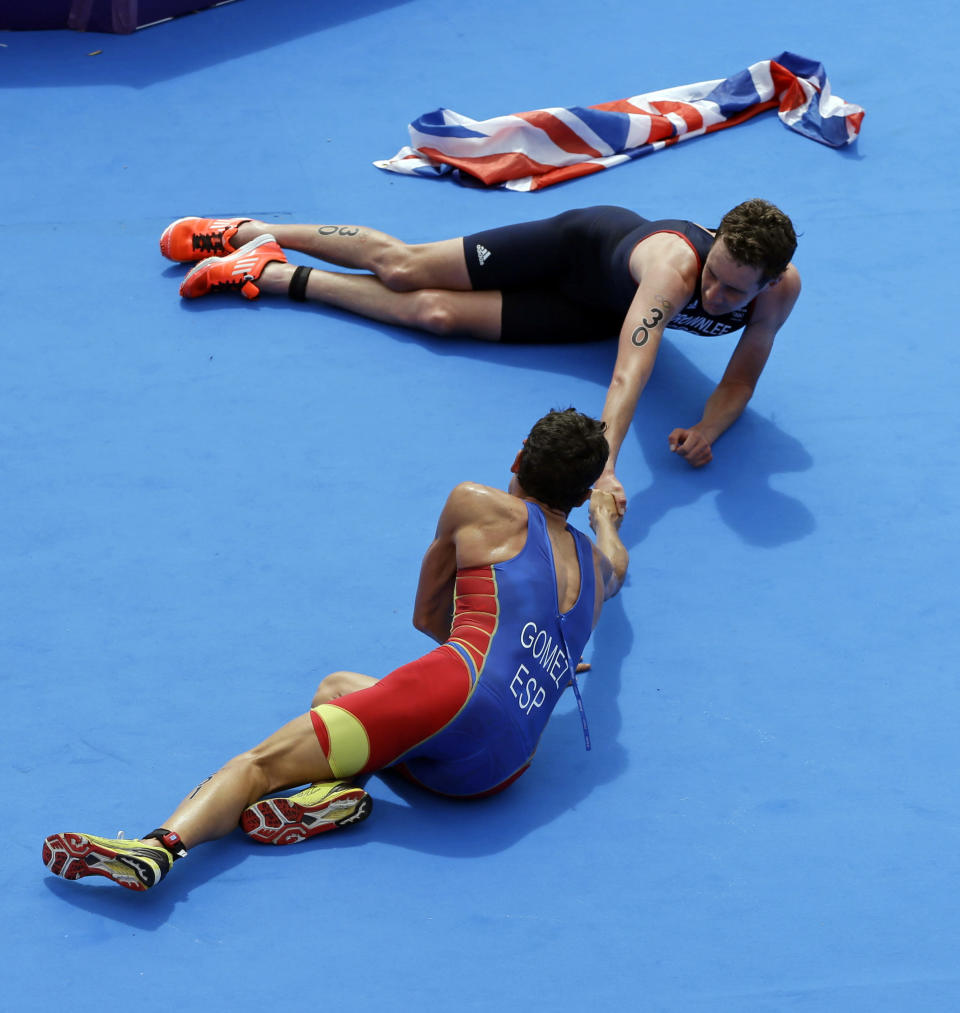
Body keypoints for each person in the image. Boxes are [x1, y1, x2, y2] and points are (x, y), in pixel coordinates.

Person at [42, 408, 628, 892]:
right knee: (341, 690)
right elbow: (614, 565)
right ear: (580, 495)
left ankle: (157, 850)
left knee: (264, 762)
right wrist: (605, 522)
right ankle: (337, 796)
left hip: (455, 689)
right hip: (495, 773)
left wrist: (485, 651)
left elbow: (428, 617)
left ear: (518, 461)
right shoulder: (599, 569)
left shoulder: (477, 503)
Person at [159, 201, 800, 509]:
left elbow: (744, 370)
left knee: (433, 315)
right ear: (710, 247)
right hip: (570, 251)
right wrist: (602, 465)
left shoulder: (780, 294)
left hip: (591, 310)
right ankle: (243, 231)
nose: (713, 294)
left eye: (733, 289)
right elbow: (632, 366)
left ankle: (271, 274)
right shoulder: (672, 270)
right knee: (405, 268)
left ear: (770, 283)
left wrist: (709, 429)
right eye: (712, 273)